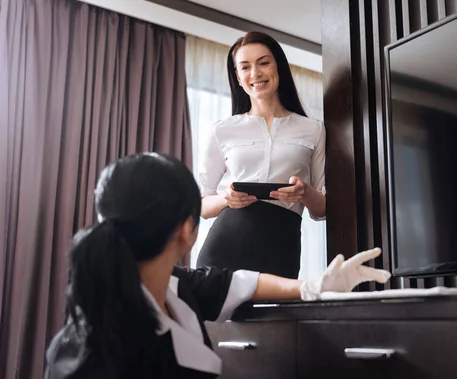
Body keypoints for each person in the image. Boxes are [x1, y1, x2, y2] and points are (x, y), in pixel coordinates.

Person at [44, 153, 390, 379]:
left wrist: (312, 286)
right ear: (187, 231)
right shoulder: (98, 360)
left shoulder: (173, 286)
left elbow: (237, 282)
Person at [196, 31, 326, 279]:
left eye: (263, 62)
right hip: (223, 251)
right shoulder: (222, 130)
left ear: (279, 66)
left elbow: (323, 209)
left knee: (275, 318)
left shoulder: (314, 130)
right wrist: (227, 198)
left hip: (281, 249)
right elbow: (202, 205)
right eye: (245, 67)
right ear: (238, 76)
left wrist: (305, 193)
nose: (255, 74)